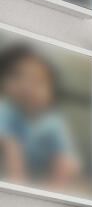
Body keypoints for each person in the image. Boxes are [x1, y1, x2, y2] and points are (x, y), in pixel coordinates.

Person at [0, 45, 86, 197]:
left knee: (69, 165)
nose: (27, 87)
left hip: (43, 176)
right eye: (18, 76)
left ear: (52, 92)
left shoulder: (53, 121)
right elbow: (10, 148)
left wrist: (53, 188)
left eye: (38, 81)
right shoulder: (6, 110)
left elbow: (67, 159)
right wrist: (17, 185)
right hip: (12, 174)